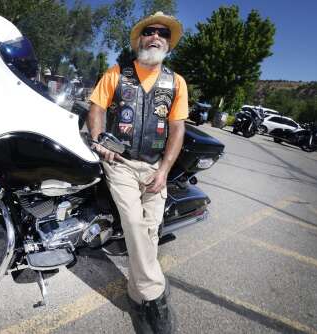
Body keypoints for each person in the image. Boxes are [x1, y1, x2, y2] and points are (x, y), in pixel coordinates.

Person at [87, 12, 188, 334]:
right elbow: (97, 107)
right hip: (121, 163)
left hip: (155, 167)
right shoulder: (117, 73)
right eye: (149, 32)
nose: (155, 36)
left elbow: (177, 127)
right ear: (140, 39)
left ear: (168, 44)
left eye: (162, 33)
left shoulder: (176, 82)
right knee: (132, 223)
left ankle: (136, 292)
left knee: (150, 231)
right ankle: (154, 299)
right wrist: (98, 140)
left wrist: (165, 170)